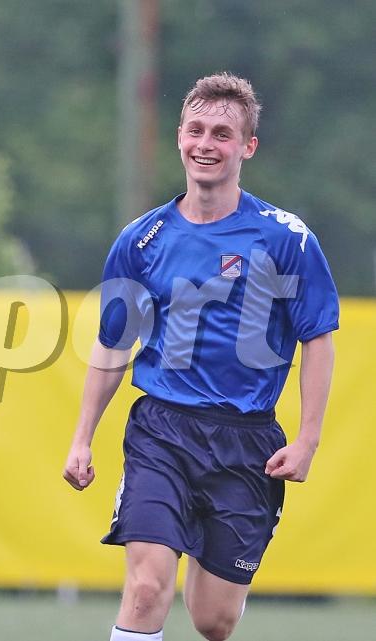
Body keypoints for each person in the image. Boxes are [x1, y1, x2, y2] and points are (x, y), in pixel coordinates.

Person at [62, 72, 338, 641]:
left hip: (246, 442)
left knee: (214, 620)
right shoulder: (141, 240)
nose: (205, 144)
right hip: (162, 431)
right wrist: (82, 437)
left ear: (248, 146)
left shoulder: (285, 238)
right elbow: (114, 343)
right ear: (178, 137)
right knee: (146, 588)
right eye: (195, 130)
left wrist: (307, 440)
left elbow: (318, 338)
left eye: (221, 133)